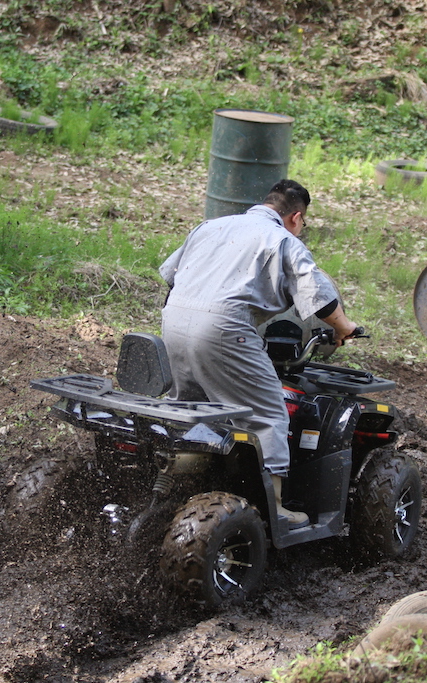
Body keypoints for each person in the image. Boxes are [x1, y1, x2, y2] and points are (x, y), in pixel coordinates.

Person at [159, 179, 357, 529]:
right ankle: (275, 509)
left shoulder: (211, 226)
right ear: (296, 217)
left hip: (173, 319)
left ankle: (173, 489)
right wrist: (344, 328)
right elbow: (320, 298)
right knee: (267, 413)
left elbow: (172, 277)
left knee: (191, 408)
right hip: (223, 328)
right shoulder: (283, 240)